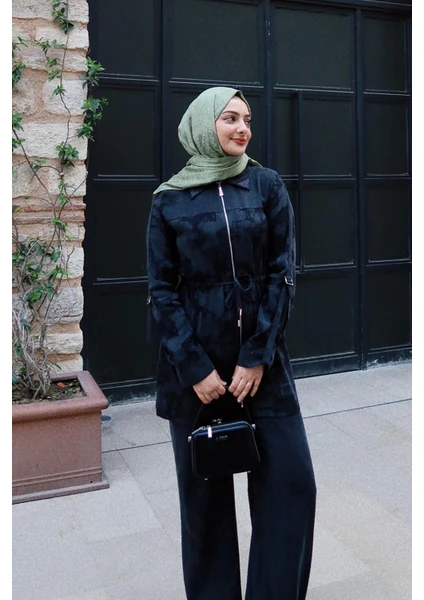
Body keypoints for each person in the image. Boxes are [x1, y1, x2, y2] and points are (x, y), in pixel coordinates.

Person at [146, 86, 316, 600]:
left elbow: (283, 273)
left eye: (246, 119)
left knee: (293, 486)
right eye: (230, 118)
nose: (242, 128)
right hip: (196, 376)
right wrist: (194, 367)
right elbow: (160, 291)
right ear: (203, 125)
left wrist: (257, 355)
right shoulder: (169, 199)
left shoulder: (265, 185)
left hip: (261, 369)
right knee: (205, 506)